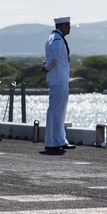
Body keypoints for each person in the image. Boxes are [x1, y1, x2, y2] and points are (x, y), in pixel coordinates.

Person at [43, 16, 73, 151]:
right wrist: (47, 67)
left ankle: (59, 139)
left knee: (59, 110)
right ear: (60, 26)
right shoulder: (56, 39)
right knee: (56, 110)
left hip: (60, 78)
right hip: (58, 78)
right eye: (67, 25)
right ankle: (53, 141)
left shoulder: (55, 38)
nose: (69, 27)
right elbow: (54, 57)